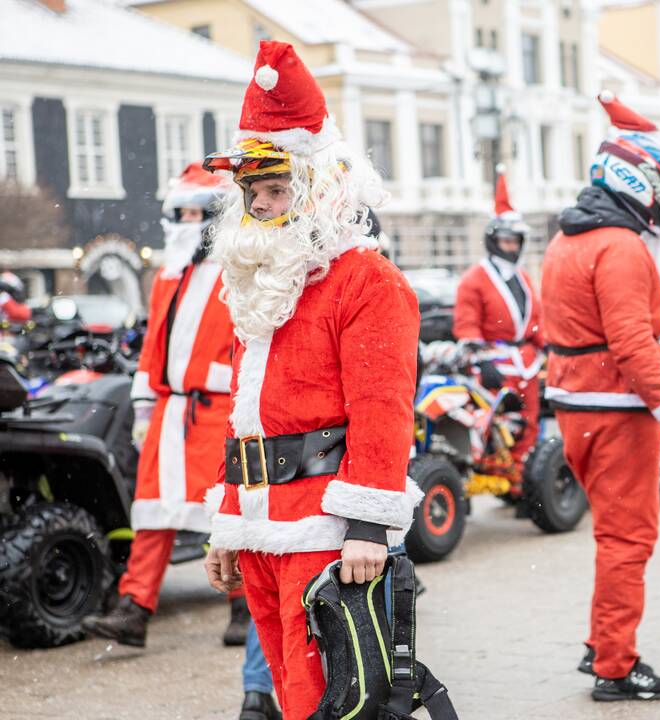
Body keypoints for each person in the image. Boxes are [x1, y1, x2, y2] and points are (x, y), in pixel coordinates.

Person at [200, 41, 421, 720]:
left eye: (277, 190)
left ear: (319, 189)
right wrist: (227, 521)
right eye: (253, 194)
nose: (263, 208)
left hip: (325, 526)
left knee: (335, 700)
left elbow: (383, 411)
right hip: (263, 523)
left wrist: (366, 525)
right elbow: (246, 414)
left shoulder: (366, 280)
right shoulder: (258, 282)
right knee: (295, 696)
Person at [541, 91, 660, 702]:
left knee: (611, 533)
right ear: (633, 175)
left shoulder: (567, 239)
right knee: (627, 539)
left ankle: (602, 642)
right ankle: (614, 664)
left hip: (578, 405)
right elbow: (632, 342)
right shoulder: (620, 245)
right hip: (617, 408)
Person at [82, 162, 248, 648]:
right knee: (152, 512)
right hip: (169, 413)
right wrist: (144, 405)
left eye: (196, 211)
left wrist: (224, 386)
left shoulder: (236, 271)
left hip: (216, 411)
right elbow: (154, 343)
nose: (185, 221)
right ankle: (134, 610)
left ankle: (242, 606)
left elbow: (247, 344)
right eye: (180, 211)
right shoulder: (165, 277)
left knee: (225, 512)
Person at [453, 165, 543, 490]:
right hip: (492, 365)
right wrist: (481, 360)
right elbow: (466, 325)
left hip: (528, 363)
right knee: (496, 427)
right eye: (506, 240)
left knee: (529, 424)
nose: (511, 246)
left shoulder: (524, 277)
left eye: (516, 240)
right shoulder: (474, 279)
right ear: (493, 240)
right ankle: (494, 478)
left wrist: (552, 350)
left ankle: (524, 484)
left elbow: (536, 321)